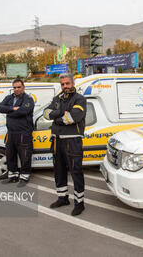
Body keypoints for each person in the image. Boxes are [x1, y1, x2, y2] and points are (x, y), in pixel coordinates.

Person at [44, 73, 87, 216]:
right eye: (62, 84)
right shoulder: (57, 99)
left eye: (67, 83)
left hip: (72, 141)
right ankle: (62, 198)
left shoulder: (80, 99)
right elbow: (46, 114)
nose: (65, 87)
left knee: (76, 172)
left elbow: (73, 118)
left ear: (73, 83)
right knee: (59, 171)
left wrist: (56, 117)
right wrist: (61, 113)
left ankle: (79, 203)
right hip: (57, 140)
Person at [0, 79, 34, 187]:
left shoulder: (28, 99)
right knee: (10, 155)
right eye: (14, 87)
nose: (16, 89)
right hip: (11, 133)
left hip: (23, 133)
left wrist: (9, 112)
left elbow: (23, 111)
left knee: (25, 156)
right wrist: (13, 108)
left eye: (18, 87)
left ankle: (24, 177)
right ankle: (12, 176)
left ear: (23, 87)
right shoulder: (9, 98)